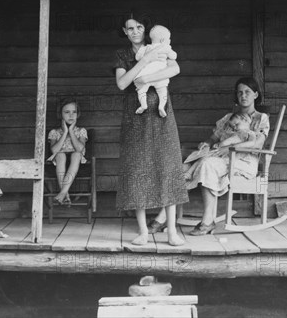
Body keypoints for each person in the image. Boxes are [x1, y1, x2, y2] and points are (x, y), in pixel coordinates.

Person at [148, 77, 269, 236]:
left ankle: (207, 221)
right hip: (219, 157)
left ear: (255, 94)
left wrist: (230, 149)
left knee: (208, 164)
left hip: (243, 161)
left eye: (247, 92)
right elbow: (213, 139)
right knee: (182, 168)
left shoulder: (261, 118)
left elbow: (257, 144)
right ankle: (163, 217)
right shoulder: (228, 118)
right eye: (240, 93)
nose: (243, 96)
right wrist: (205, 143)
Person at [115, 13, 188, 246]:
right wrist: (143, 64)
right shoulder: (123, 55)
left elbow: (175, 68)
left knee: (168, 166)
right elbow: (122, 83)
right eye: (130, 28)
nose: (135, 31)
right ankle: (143, 231)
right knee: (137, 169)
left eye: (139, 27)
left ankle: (172, 232)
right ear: (125, 32)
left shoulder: (158, 45)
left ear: (145, 30)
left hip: (162, 117)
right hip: (135, 119)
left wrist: (145, 78)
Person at [47, 99, 88, 205]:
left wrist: (71, 131)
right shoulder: (54, 132)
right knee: (60, 155)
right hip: (60, 161)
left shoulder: (81, 131)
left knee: (76, 154)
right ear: (60, 114)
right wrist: (65, 132)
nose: (71, 115)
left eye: (74, 112)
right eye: (67, 112)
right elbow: (54, 150)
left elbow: (79, 149)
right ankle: (65, 195)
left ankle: (63, 193)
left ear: (78, 114)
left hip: (76, 160)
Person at [134, 25, 177, 117]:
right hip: (159, 75)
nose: (169, 40)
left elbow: (137, 57)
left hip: (146, 73)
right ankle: (161, 106)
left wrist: (143, 51)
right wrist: (169, 48)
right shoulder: (165, 47)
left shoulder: (146, 48)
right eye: (168, 39)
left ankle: (143, 105)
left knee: (141, 90)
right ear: (162, 40)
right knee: (162, 92)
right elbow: (174, 56)